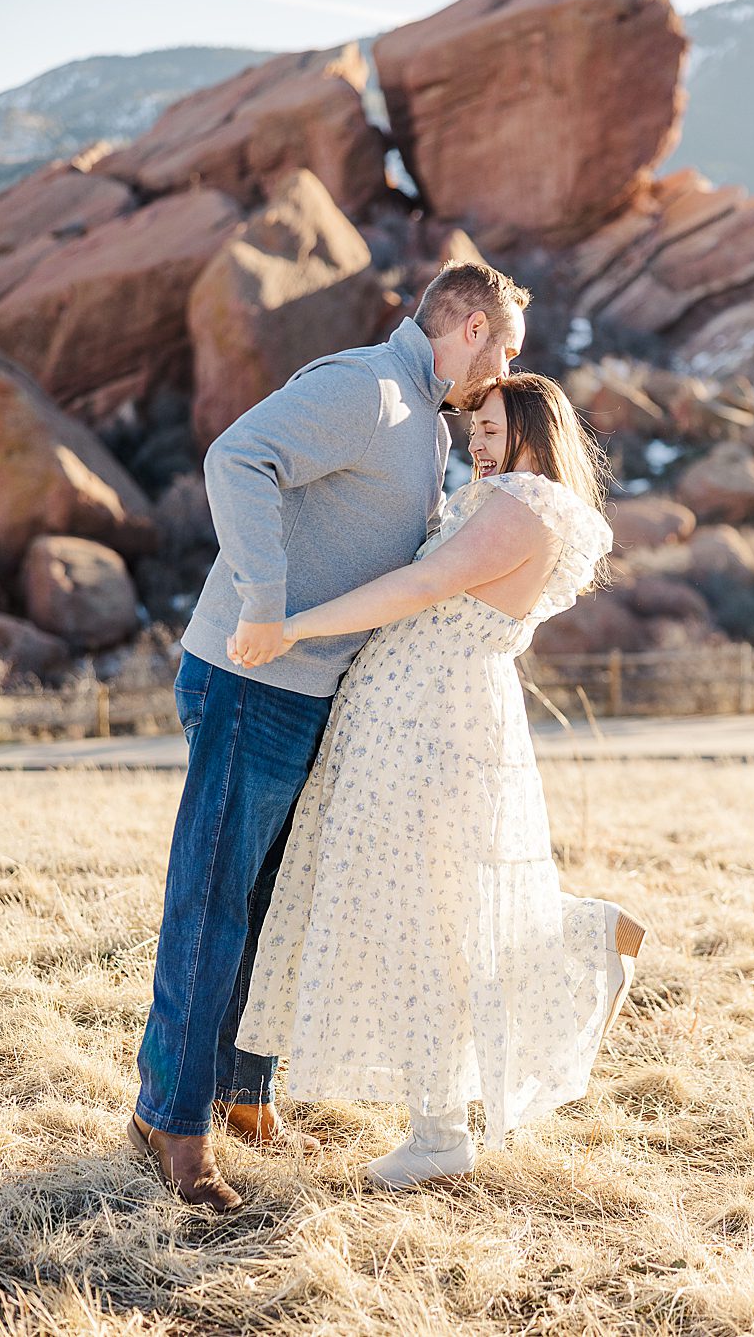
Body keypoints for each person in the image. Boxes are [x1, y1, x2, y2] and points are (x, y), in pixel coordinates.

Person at [127, 262, 531, 1212]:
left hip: (313, 696)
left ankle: (237, 1090)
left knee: (274, 905)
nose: (510, 365)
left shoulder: (424, 425)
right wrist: (264, 603)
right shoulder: (368, 388)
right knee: (214, 902)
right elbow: (236, 456)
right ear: (470, 328)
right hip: (252, 679)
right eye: (507, 345)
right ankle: (170, 1124)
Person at [232, 372, 645, 1192]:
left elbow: (423, 586)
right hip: (414, 722)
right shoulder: (505, 501)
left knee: (433, 913)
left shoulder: (524, 506)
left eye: (496, 428)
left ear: (537, 432)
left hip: (438, 727)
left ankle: (442, 1129)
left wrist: (293, 625)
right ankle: (448, 1112)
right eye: (477, 431)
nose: (482, 445)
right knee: (430, 909)